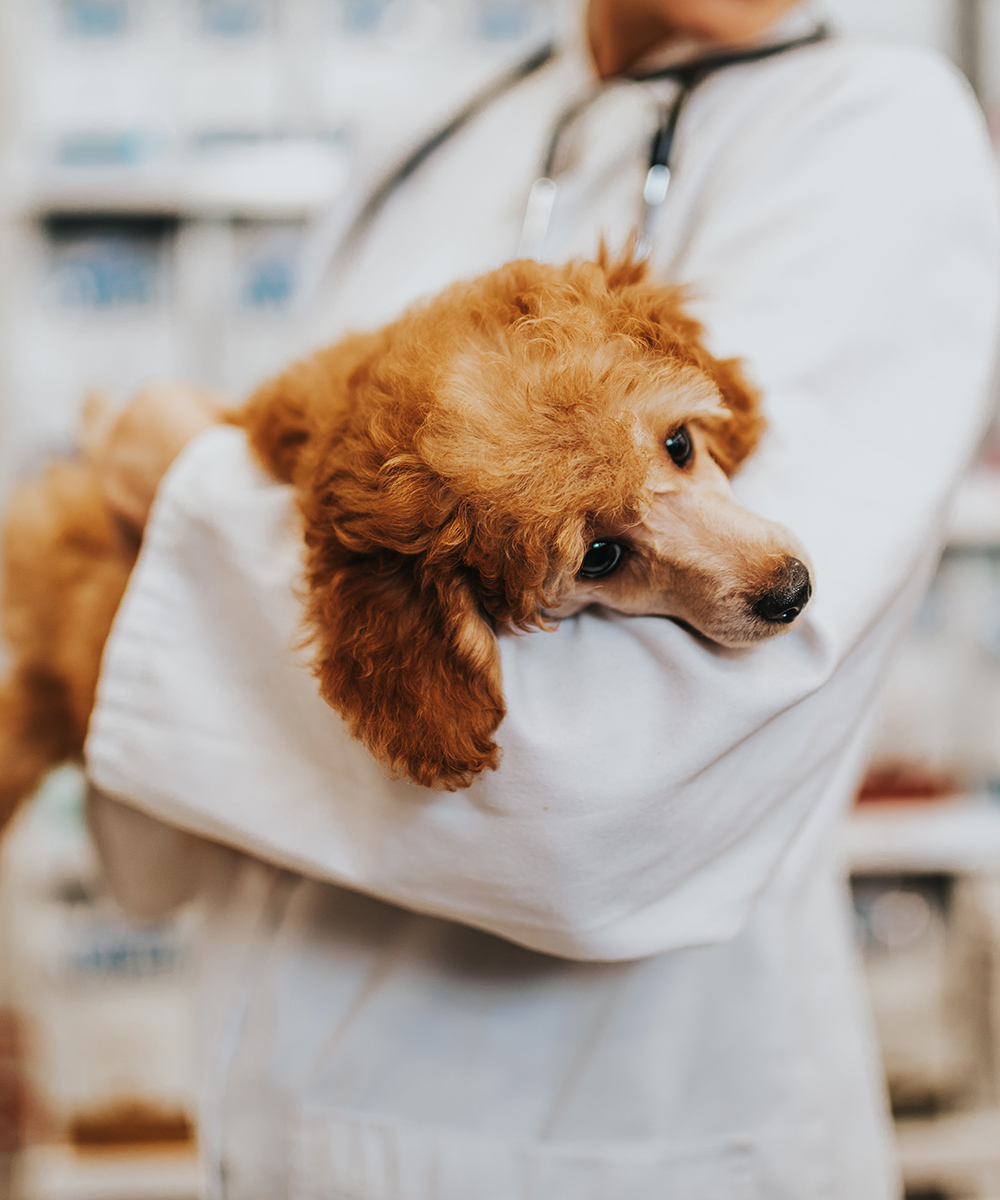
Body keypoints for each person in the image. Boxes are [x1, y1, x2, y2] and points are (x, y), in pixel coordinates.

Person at [81, 0, 1000, 1196]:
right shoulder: (438, 118)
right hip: (279, 1106)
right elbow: (324, 532)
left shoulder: (875, 129)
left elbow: (621, 783)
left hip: (617, 1136)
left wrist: (189, 494)